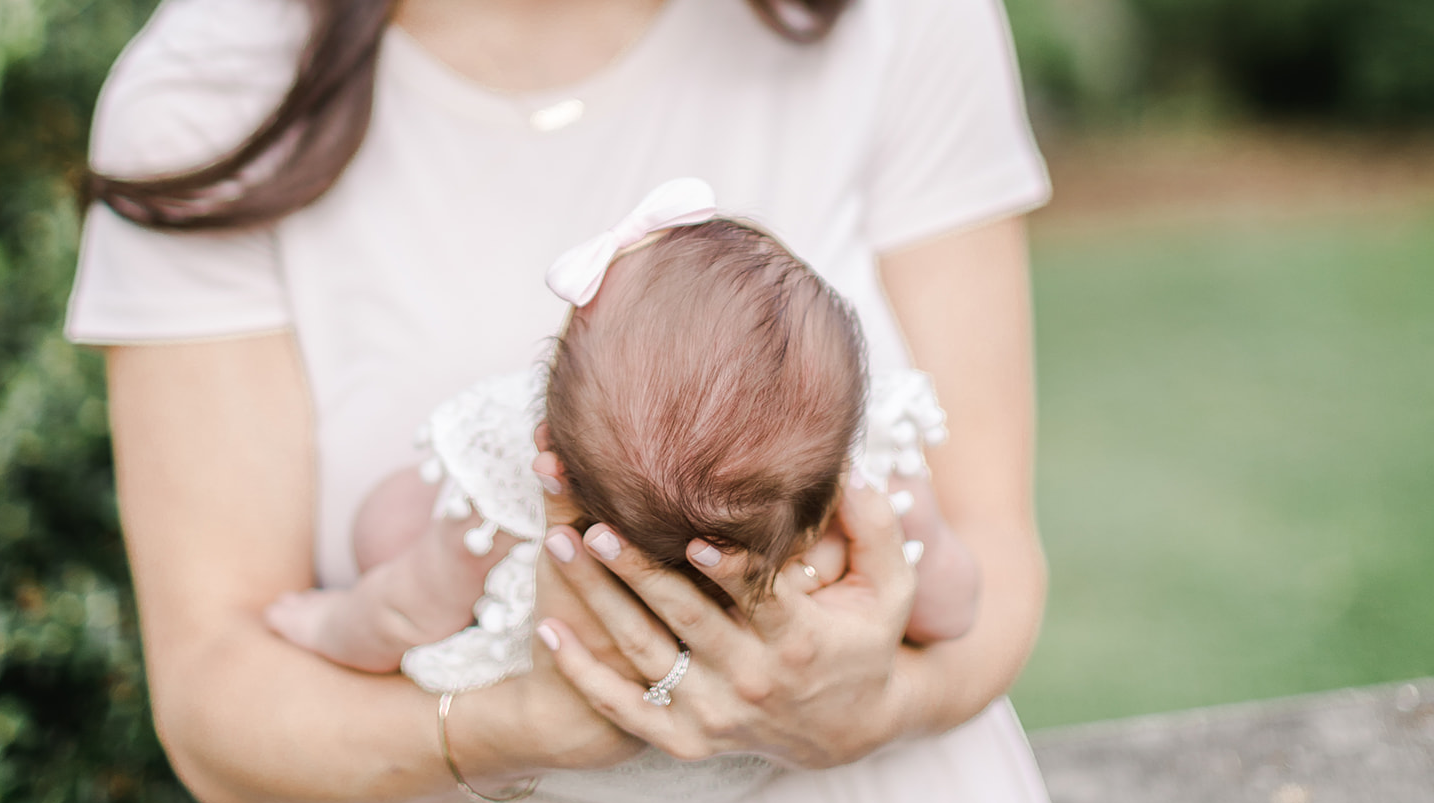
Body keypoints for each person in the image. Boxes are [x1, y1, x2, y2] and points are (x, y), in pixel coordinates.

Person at [66, 0, 1083, 803]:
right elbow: (215, 708)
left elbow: (992, 566)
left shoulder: (900, 10)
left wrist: (868, 701)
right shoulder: (217, 93)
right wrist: (523, 723)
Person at [262, 190, 979, 730]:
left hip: (558, 765)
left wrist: (327, 622)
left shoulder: (507, 507)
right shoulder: (877, 489)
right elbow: (954, 608)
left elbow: (395, 614)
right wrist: (928, 549)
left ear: (548, 441)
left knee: (390, 523)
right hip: (777, 774)